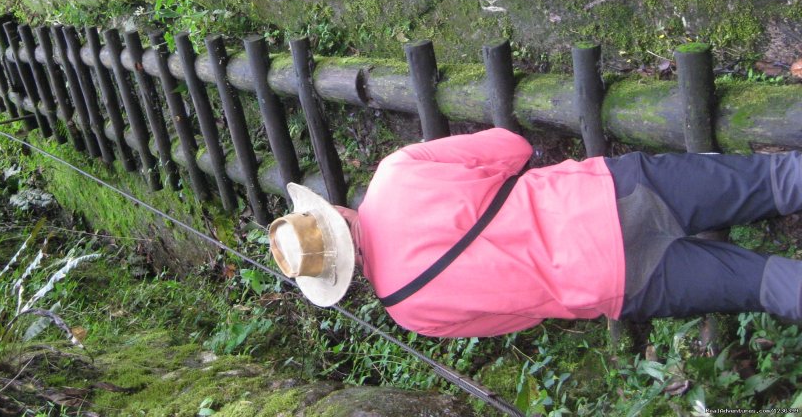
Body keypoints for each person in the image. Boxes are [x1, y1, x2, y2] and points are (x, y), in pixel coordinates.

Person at [267, 128, 802, 338]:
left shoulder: (408, 310)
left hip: (614, 283)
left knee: (764, 286)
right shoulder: (398, 171)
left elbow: (521, 317)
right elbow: (512, 147)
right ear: (331, 210)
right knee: (769, 181)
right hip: (607, 193)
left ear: (339, 273)